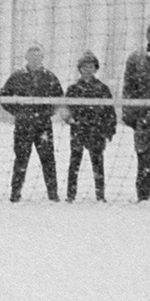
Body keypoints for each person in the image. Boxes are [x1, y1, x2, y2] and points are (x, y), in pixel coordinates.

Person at [0, 45, 64, 202]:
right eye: (32, 57)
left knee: (48, 159)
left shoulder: (49, 77)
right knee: (21, 158)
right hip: (23, 125)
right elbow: (3, 97)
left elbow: (59, 99)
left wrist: (46, 113)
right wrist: (18, 112)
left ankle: (53, 194)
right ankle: (15, 193)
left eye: (38, 57)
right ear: (26, 58)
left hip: (43, 126)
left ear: (42, 58)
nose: (35, 60)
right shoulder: (17, 77)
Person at [62, 51, 115, 202]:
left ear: (96, 68)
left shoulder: (102, 89)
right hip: (78, 130)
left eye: (91, 66)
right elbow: (65, 108)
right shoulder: (73, 89)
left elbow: (109, 110)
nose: (88, 69)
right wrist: (70, 120)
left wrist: (109, 129)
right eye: (85, 66)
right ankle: (70, 195)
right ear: (80, 69)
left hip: (96, 131)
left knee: (98, 164)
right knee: (74, 163)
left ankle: (100, 195)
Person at [121, 21, 150, 201]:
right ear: (147, 36)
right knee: (143, 162)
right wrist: (131, 116)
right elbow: (128, 90)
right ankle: (143, 198)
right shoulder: (136, 59)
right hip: (144, 120)